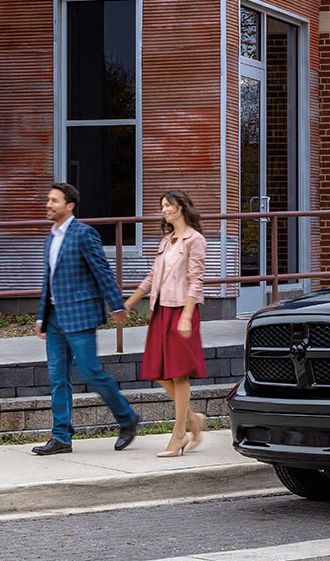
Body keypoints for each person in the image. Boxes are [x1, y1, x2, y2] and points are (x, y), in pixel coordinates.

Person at [33, 182, 140, 455]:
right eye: (48, 199)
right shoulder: (51, 237)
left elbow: (102, 271)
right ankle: (61, 437)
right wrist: (41, 316)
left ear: (69, 206)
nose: (48, 204)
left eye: (54, 200)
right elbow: (49, 280)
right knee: (57, 378)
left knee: (90, 371)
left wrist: (117, 305)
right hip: (55, 318)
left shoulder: (84, 234)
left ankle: (127, 418)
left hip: (80, 316)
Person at [121, 190, 208, 458]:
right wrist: (128, 302)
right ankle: (194, 419)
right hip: (161, 311)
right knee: (157, 369)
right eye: (162, 207)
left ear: (180, 207)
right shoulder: (167, 241)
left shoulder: (196, 240)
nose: (164, 210)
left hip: (183, 310)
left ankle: (179, 432)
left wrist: (186, 315)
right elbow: (151, 278)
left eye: (168, 206)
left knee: (179, 373)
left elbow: (196, 280)